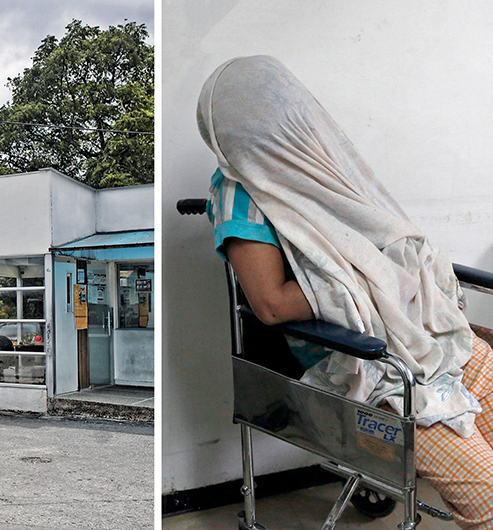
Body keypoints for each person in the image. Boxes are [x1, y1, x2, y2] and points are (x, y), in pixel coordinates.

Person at [199, 55, 493, 529]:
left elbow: (389, 246)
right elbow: (271, 305)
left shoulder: (326, 166)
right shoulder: (241, 195)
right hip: (365, 365)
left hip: (429, 340)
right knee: (488, 492)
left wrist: (406, 269)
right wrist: (376, 274)